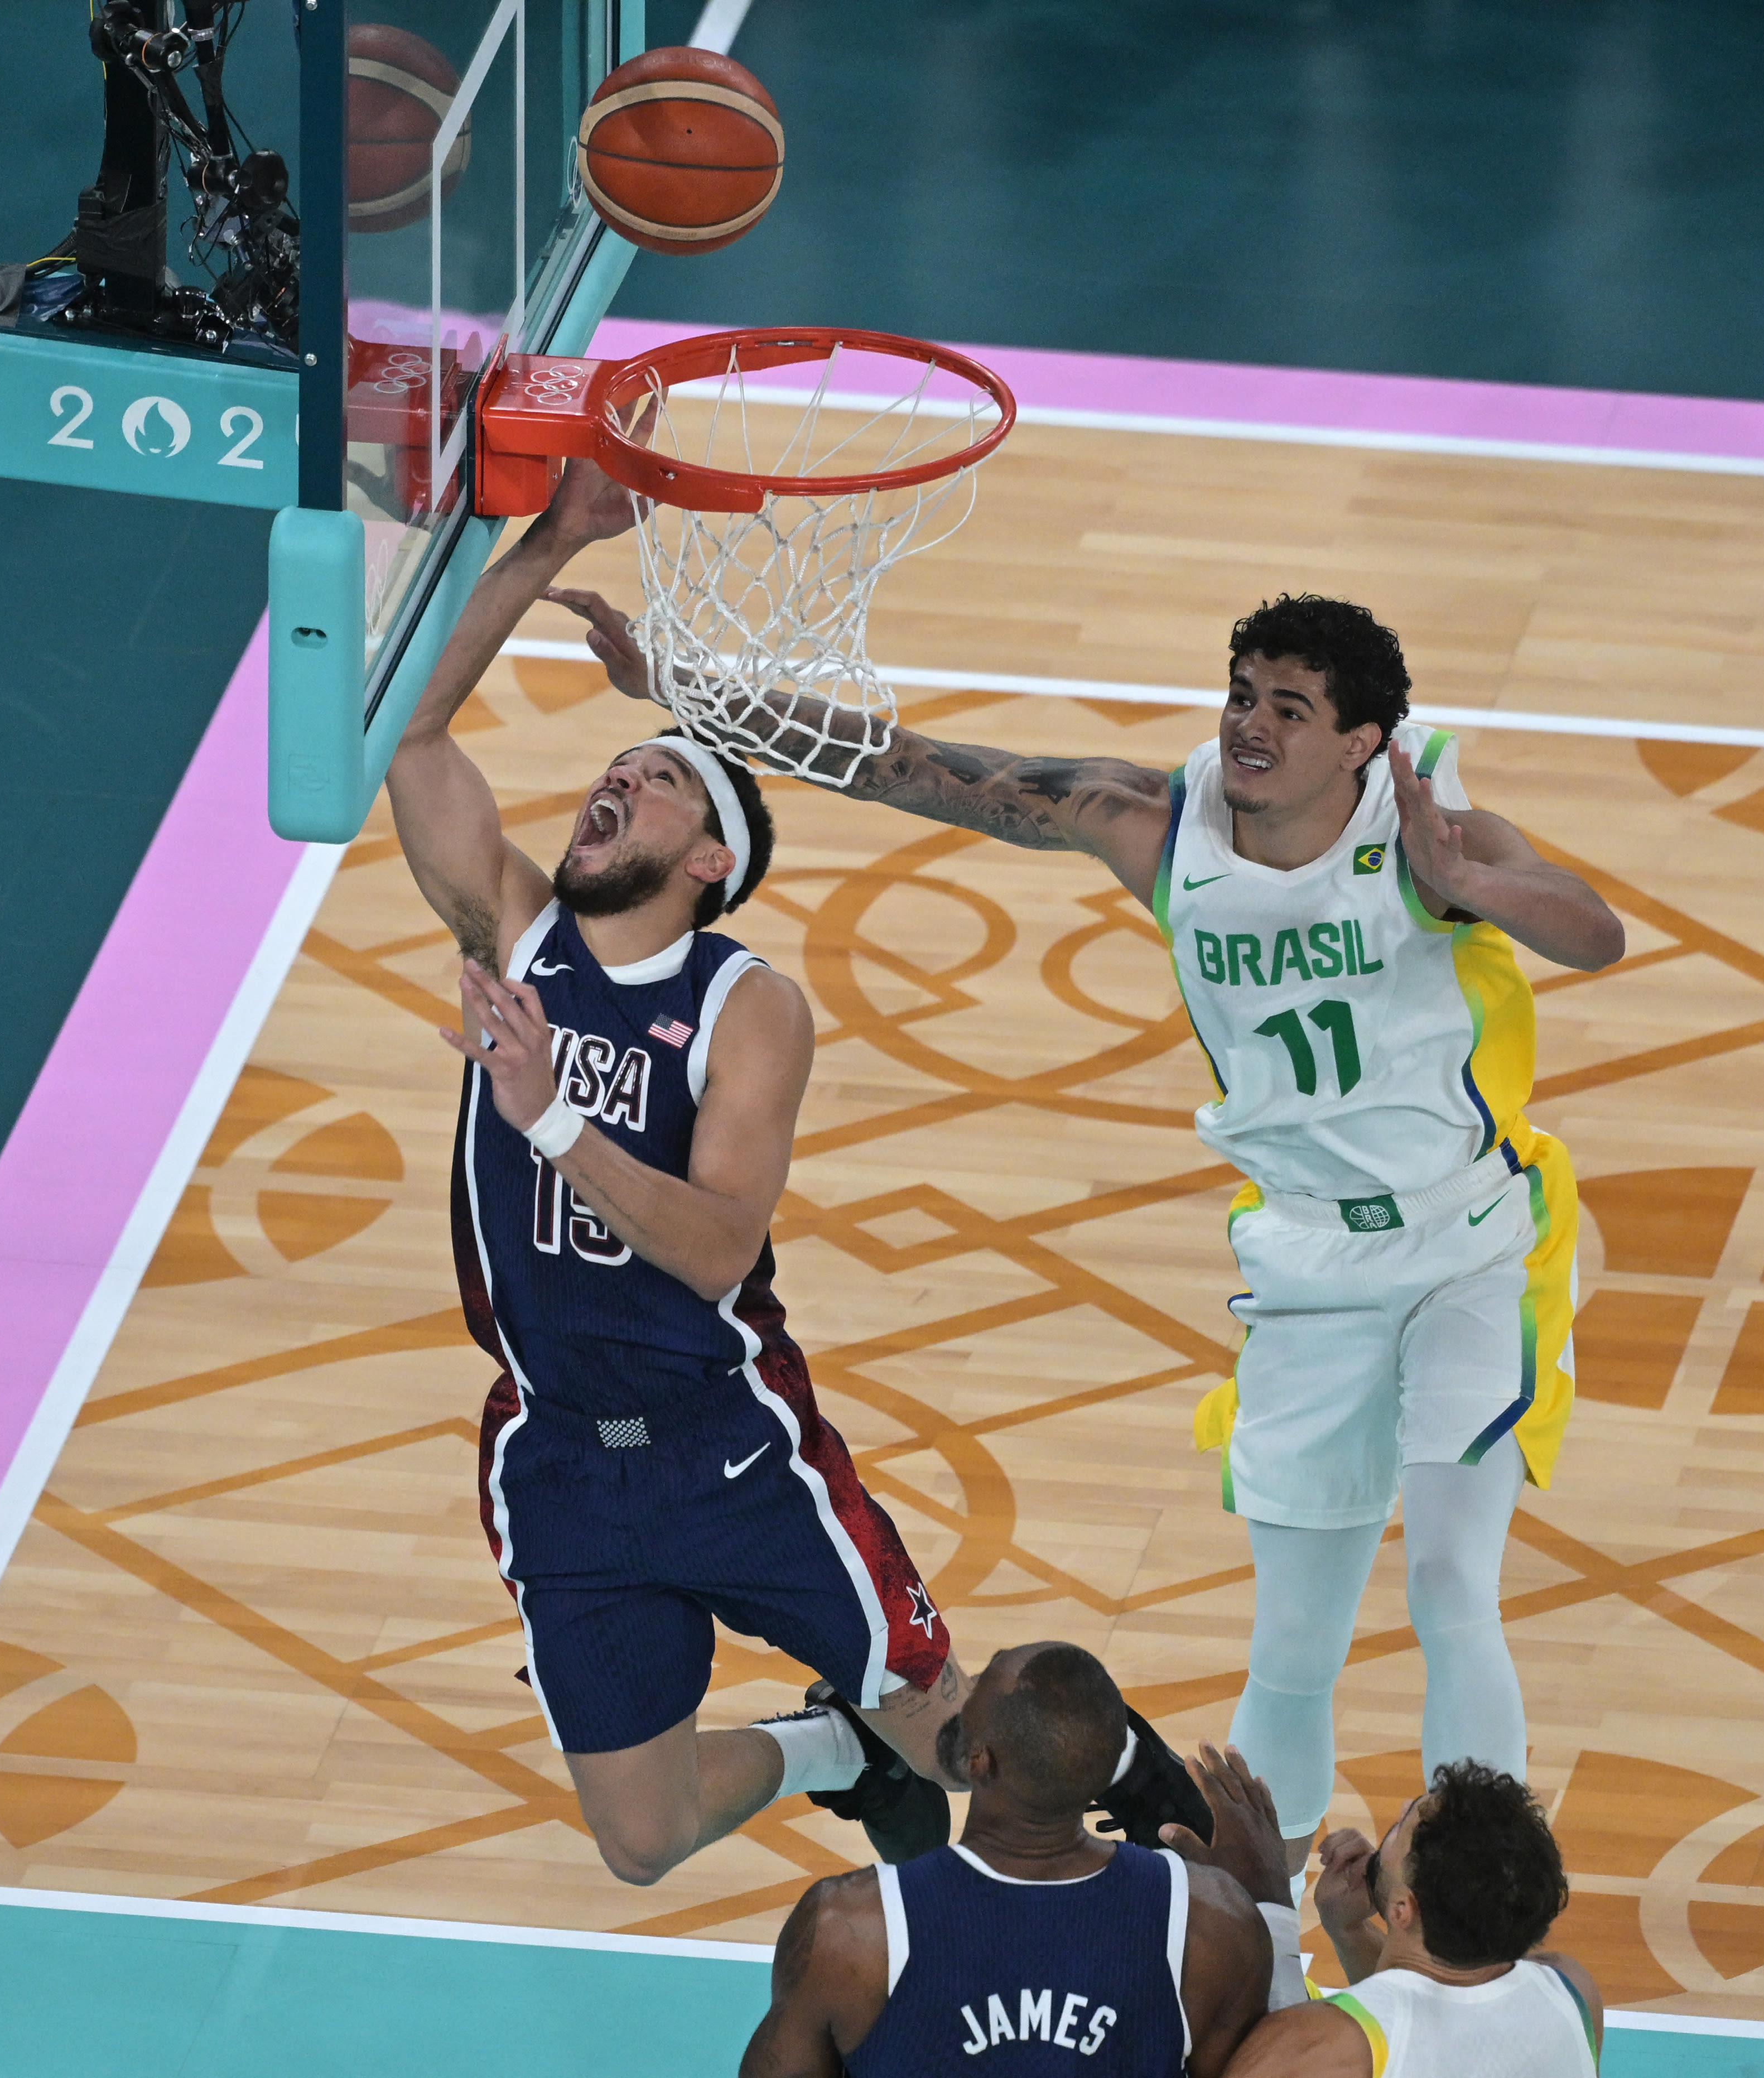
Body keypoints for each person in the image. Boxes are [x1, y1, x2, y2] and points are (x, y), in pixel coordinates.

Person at [552, 584, 1625, 1874]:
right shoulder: (1156, 830)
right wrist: (686, 689)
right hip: (1304, 1268)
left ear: (1358, 743)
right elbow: (916, 771)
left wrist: (1466, 881)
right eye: (1241, 696)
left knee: (1450, 1585)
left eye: (1290, 709)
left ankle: (1485, 1922)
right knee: (1292, 1643)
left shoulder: (1423, 833)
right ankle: (1270, 1937)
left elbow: (1595, 935)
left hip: (1467, 1248)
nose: (1249, 727)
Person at [387, 459, 1208, 1888]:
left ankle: (1166, 1806)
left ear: (707, 857)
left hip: (726, 1441)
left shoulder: (742, 1003)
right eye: (613, 768)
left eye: (656, 782)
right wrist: (546, 539)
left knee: (961, 1746)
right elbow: (410, 738)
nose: (617, 775)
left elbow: (712, 1251)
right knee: (640, 1843)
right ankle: (830, 1750)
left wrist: (546, 1118)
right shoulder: (517, 933)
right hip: (558, 1450)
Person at [740, 1642, 1290, 2077]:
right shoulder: (1212, 1921)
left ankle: (849, 1756)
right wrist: (1269, 1904)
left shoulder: (848, 1927)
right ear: (1103, 1774)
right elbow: (1296, 2065)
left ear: (973, 1758)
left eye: (973, 1691)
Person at [1228, 1760, 1599, 2077]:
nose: (1405, 1806)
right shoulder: (1570, 1989)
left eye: (1403, 1826)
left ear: (1403, 1910)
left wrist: (1268, 1908)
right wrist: (1349, 1929)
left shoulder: (1321, 2042)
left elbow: (1395, 2028)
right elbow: (1429, 2029)